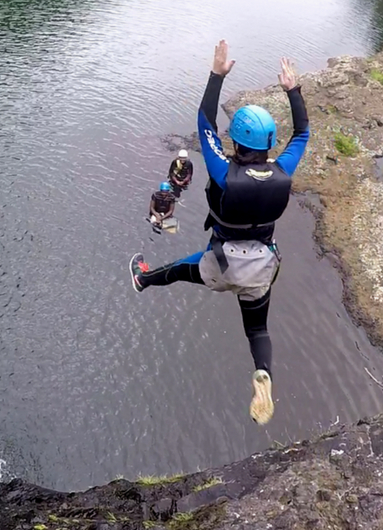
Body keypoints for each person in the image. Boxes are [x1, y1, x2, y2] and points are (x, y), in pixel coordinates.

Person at [129, 40, 310, 425]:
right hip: (262, 267)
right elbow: (302, 135)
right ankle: (264, 374)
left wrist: (217, 75)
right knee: (257, 329)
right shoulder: (282, 172)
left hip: (222, 263)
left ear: (237, 142)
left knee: (178, 270)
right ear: (267, 144)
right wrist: (293, 90)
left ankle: (142, 279)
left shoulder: (223, 173)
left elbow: (205, 123)